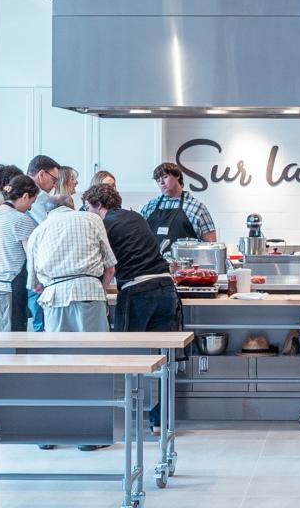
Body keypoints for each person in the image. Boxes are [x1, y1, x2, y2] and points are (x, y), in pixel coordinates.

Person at [85, 183, 180, 433]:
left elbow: (105, 265)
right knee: (165, 360)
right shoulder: (135, 216)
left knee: (129, 359)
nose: (87, 214)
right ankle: (160, 422)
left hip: (138, 291)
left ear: (98, 205)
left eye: (87, 208)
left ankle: (126, 421)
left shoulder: (102, 224)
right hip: (165, 287)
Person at [26, 196, 117, 333]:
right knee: (95, 345)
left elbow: (34, 286)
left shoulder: (37, 232)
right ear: (72, 207)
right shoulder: (92, 219)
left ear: (47, 213)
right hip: (90, 291)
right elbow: (110, 268)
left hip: (54, 298)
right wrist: (100, 290)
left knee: (59, 346)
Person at [139, 162, 217, 253]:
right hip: (153, 261)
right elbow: (139, 237)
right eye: (158, 180)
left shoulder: (197, 208)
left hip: (186, 261)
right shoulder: (149, 207)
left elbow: (211, 245)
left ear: (177, 176)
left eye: (165, 177)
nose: (162, 182)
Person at [0, 175, 37, 332]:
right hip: (11, 287)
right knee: (13, 336)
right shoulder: (22, 220)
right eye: (31, 203)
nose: (29, 208)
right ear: (25, 196)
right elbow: (32, 257)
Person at [25, 155, 61, 332]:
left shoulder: (24, 194)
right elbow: (50, 228)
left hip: (22, 267)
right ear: (41, 174)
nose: (54, 185)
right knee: (41, 323)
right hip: (36, 266)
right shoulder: (40, 198)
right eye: (54, 179)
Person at [26, 155, 62, 225]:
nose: (55, 186)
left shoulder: (17, 188)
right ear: (41, 175)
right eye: (54, 180)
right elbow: (51, 226)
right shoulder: (40, 195)